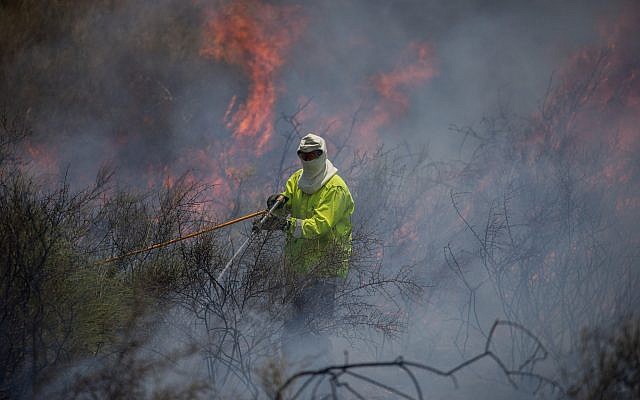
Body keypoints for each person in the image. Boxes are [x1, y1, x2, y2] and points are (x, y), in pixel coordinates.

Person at [256, 132, 354, 365]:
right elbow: (285, 205)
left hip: (323, 270)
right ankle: (294, 376)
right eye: (304, 155)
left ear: (323, 154)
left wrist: (284, 224)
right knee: (293, 328)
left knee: (314, 330)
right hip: (298, 267)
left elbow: (319, 225)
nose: (309, 159)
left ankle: (323, 379)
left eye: (314, 155)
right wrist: (276, 207)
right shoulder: (297, 181)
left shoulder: (335, 188)